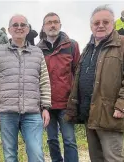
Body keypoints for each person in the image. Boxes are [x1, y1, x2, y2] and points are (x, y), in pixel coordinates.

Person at [65, 5, 124, 162]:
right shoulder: (88, 48)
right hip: (90, 115)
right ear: (91, 26)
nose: (100, 25)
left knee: (112, 158)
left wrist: (123, 105)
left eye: (105, 22)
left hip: (111, 115)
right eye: (96, 23)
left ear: (113, 24)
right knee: (96, 158)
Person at [0, 14, 51, 162]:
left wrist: (46, 107)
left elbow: (44, 82)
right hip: (7, 112)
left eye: (23, 25)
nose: (19, 27)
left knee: (36, 153)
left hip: (33, 113)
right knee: (10, 154)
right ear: (9, 29)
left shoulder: (37, 52)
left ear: (28, 29)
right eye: (15, 25)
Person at [37, 12, 80, 162]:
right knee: (52, 139)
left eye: (55, 22)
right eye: (49, 22)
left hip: (66, 103)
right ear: (43, 27)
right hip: (46, 104)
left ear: (60, 25)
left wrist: (76, 99)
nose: (52, 25)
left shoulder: (72, 45)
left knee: (69, 140)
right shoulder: (37, 50)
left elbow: (77, 72)